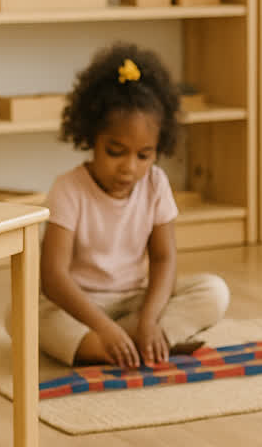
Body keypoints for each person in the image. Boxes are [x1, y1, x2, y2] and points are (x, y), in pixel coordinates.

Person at [32, 42, 229, 367]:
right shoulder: (68, 189)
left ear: (158, 148)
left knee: (214, 291)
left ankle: (123, 343)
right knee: (22, 314)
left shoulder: (156, 184)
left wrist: (149, 320)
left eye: (144, 155)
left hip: (136, 304)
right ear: (91, 135)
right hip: (79, 307)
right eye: (115, 151)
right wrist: (103, 326)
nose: (129, 168)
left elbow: (165, 260)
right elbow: (52, 277)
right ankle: (128, 343)